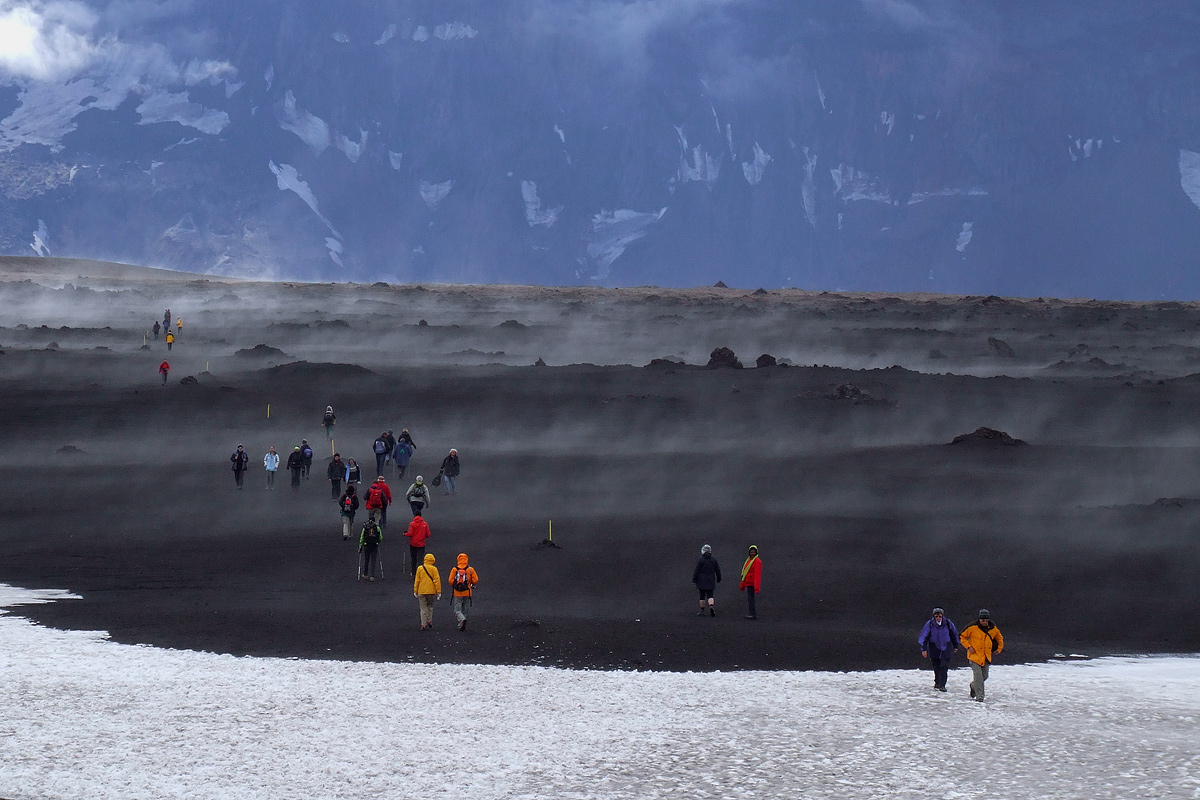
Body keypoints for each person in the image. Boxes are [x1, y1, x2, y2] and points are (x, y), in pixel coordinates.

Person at [960, 609, 1004, 702]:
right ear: (979, 619)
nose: (984, 622)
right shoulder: (972, 627)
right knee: (979, 678)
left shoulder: (993, 629)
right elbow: (961, 636)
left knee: (985, 676)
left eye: (986, 620)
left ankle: (973, 686)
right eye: (982, 620)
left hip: (986, 657)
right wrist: (968, 646)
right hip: (974, 656)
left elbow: (1000, 639)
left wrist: (999, 649)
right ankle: (980, 697)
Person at [918, 607, 960, 692]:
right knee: (936, 666)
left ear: (942, 616)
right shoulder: (930, 624)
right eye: (936, 616)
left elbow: (953, 634)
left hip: (946, 647)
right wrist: (924, 649)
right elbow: (924, 636)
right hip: (934, 647)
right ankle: (937, 682)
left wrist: (956, 645)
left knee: (944, 666)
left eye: (939, 616)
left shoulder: (948, 623)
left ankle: (942, 685)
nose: (938, 618)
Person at [448, 553, 478, 631]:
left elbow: (450, 581)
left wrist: (455, 585)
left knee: (457, 610)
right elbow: (475, 580)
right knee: (465, 609)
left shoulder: (455, 569)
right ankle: (462, 622)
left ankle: (461, 620)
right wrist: (470, 583)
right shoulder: (470, 569)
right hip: (467, 592)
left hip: (457, 593)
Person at [692, 544, 721, 617]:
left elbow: (697, 570)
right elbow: (717, 570)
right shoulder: (713, 560)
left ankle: (702, 610)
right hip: (710, 580)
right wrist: (718, 578)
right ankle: (711, 606)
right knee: (710, 595)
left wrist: (694, 579)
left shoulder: (701, 560)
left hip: (701, 580)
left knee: (702, 596)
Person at [413, 552, 441, 629]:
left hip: (421, 591)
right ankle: (429, 620)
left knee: (423, 608)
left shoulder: (420, 568)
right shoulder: (434, 569)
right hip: (431, 591)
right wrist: (438, 592)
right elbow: (436, 580)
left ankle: (423, 624)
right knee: (430, 606)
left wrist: (415, 590)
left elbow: (417, 580)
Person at [738, 545, 762, 620]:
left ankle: (752, 613)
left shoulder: (757, 561)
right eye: (751, 552)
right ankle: (751, 612)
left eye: (753, 552)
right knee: (750, 598)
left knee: (751, 598)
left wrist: (757, 587)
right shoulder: (749, 560)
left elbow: (757, 575)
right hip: (749, 582)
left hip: (751, 583)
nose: (752, 553)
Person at [359, 517, 382, 582]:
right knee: (373, 560)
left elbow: (362, 537)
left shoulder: (365, 527)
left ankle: (365, 574)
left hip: (366, 545)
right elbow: (380, 537)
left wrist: (361, 545)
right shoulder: (377, 527)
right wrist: (377, 542)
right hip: (374, 545)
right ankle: (372, 576)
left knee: (366, 559)